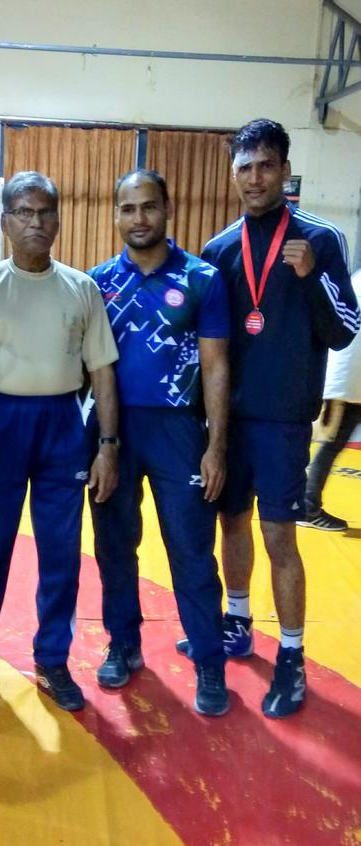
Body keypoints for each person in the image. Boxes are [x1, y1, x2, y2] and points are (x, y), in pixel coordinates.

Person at [178, 118, 359, 719]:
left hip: (284, 422)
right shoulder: (219, 249)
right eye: (244, 168)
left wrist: (310, 279)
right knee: (231, 525)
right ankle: (236, 623)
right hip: (228, 423)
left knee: (279, 535)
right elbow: (209, 346)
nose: (255, 178)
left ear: (284, 170)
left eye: (265, 166)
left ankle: (291, 655)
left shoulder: (321, 240)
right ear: (234, 175)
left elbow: (345, 331)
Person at [0, 171, 119, 712]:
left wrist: (108, 444)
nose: (36, 222)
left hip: (61, 426)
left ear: (59, 221)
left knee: (62, 554)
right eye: (24, 212)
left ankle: (52, 658)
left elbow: (103, 373)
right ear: (5, 222)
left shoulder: (82, 288)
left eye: (46, 212)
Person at [88, 170, 230, 716]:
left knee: (192, 552)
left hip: (179, 433)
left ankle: (210, 663)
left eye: (149, 207)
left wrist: (216, 446)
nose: (139, 218)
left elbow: (217, 368)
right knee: (114, 546)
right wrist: (101, 441)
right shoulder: (96, 283)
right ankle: (123, 645)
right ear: (116, 214)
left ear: (167, 209)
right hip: (111, 433)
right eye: (128, 209)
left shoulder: (202, 280)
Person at [298, 268, 361, 531]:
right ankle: (307, 505)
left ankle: (305, 503)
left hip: (347, 378)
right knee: (329, 442)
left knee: (329, 441)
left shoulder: (356, 279)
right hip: (346, 380)